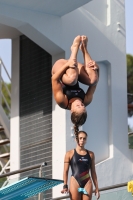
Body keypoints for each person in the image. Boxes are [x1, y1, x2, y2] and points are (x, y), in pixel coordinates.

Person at [52, 35, 99, 127]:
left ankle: (74, 49)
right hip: (74, 69)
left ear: (71, 111)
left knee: (72, 80)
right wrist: (97, 68)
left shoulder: (63, 101)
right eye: (83, 106)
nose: (81, 104)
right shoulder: (87, 100)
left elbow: (54, 78)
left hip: (60, 68)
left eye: (78, 106)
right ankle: (84, 48)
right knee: (93, 80)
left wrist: (67, 65)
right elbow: (95, 83)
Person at [61, 130, 100, 200]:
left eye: (84, 138)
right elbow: (65, 171)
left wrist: (97, 187)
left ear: (86, 140)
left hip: (87, 182)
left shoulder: (91, 154)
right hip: (75, 182)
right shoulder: (69, 154)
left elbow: (93, 172)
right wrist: (65, 186)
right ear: (76, 139)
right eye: (80, 138)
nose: (82, 140)